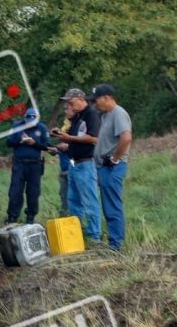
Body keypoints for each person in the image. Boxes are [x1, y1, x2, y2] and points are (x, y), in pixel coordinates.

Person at [51, 88, 102, 244]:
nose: (69, 105)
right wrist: (62, 137)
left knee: (89, 200)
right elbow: (74, 139)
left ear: (81, 99)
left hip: (86, 163)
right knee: (73, 200)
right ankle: (76, 234)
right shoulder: (76, 117)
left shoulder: (91, 114)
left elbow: (94, 138)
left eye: (71, 101)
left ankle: (94, 236)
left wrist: (69, 138)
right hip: (73, 163)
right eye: (67, 102)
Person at [90, 84, 133, 251]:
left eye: (96, 100)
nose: (94, 104)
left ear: (107, 98)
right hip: (104, 166)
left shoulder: (118, 113)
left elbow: (126, 138)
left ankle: (116, 244)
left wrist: (115, 159)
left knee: (112, 205)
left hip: (113, 166)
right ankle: (113, 241)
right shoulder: (106, 116)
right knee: (108, 205)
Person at [4, 108, 49, 224]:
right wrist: (20, 140)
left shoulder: (42, 128)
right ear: (24, 118)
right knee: (15, 191)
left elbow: (46, 146)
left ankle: (30, 217)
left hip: (35, 164)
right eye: (28, 121)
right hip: (19, 163)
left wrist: (33, 143)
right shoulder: (16, 126)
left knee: (33, 192)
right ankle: (12, 217)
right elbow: (8, 142)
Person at [46, 117, 72, 217]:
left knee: (73, 197)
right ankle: (65, 217)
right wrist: (54, 149)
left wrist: (65, 147)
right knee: (63, 196)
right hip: (63, 170)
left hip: (72, 168)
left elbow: (72, 148)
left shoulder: (75, 134)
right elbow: (60, 149)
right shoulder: (63, 137)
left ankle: (76, 219)